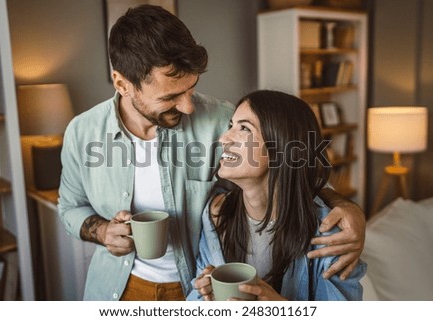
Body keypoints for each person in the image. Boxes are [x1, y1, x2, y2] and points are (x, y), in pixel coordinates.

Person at [58, 5, 365, 301]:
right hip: (119, 289)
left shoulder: (221, 118)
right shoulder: (82, 132)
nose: (188, 107)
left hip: (195, 282)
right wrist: (101, 232)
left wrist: (349, 210)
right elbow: (70, 208)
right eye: (171, 96)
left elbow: (291, 171)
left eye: (191, 89)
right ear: (123, 84)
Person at [190, 90, 366, 301]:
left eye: (244, 128)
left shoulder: (331, 235)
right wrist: (205, 295)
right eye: (231, 126)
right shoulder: (217, 215)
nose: (223, 139)